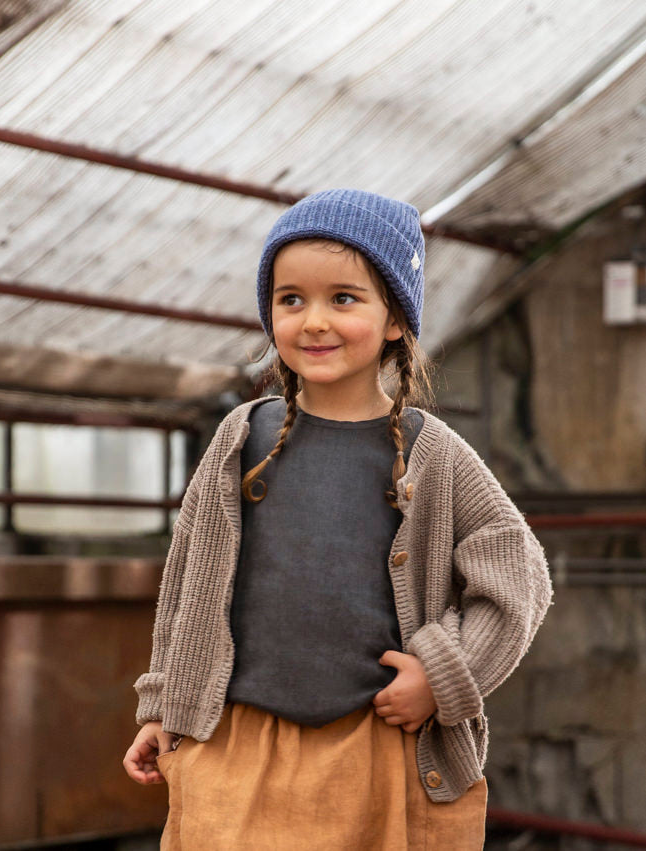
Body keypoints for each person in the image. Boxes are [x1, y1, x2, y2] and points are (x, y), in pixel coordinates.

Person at [123, 188, 554, 849]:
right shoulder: (242, 436)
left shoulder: (433, 453)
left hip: (378, 752)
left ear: (393, 320)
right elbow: (187, 581)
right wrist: (161, 703)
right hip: (236, 748)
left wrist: (440, 678)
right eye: (290, 298)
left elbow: (520, 578)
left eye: (342, 298)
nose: (312, 320)